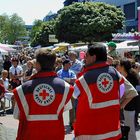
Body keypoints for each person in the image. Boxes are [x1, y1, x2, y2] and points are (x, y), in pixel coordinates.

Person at [73, 43, 137, 140]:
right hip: (112, 131)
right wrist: (119, 107)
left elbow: (74, 95)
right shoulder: (115, 73)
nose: (84, 59)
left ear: (94, 57)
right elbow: (130, 92)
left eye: (86, 56)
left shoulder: (84, 78)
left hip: (90, 132)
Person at [13, 48, 74, 140]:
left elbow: (17, 115)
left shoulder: (22, 89)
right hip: (55, 135)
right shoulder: (65, 87)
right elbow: (65, 108)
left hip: (29, 135)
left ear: (37, 65)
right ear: (54, 64)